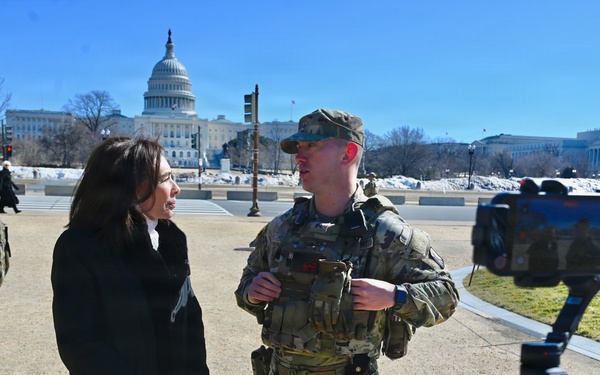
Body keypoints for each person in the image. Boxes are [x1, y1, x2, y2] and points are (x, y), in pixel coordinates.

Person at [235, 108, 459, 375]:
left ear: (347, 153)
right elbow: (247, 284)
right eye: (298, 147)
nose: (299, 157)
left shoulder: (384, 232)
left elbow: (446, 295)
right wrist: (252, 291)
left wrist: (394, 296)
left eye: (312, 145)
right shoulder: (282, 227)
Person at [51, 137, 210, 375]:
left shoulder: (170, 240)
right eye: (166, 179)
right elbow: (79, 343)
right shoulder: (79, 247)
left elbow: (190, 324)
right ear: (134, 188)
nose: (176, 188)